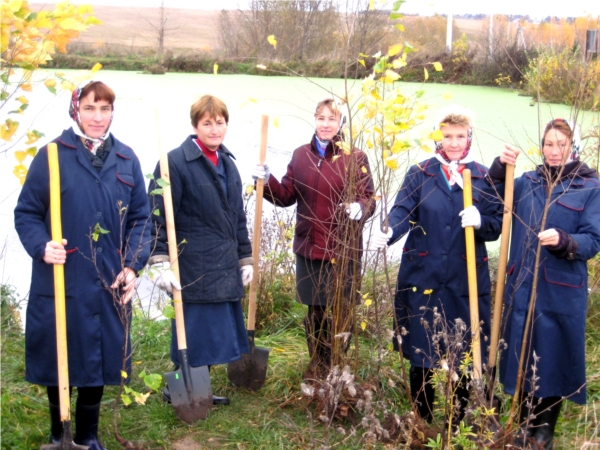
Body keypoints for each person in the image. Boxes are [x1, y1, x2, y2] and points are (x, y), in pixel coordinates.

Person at [14, 81, 151, 448]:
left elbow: (141, 219)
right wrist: (42, 246)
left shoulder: (126, 158)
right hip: (62, 278)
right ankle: (60, 434)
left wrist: (133, 266)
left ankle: (88, 437)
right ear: (76, 110)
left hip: (110, 277)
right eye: (90, 108)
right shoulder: (52, 156)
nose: (97, 117)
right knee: (59, 354)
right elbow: (26, 212)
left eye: (105, 109)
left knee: (100, 356)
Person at [371, 106, 502, 424]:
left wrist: (481, 221)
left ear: (468, 136)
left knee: (465, 355)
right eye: (447, 136)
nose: (453, 143)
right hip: (423, 278)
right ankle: (423, 422)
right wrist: (388, 229)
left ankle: (456, 424)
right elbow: (403, 209)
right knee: (421, 355)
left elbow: (497, 224)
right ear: (437, 137)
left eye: (459, 136)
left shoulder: (483, 176)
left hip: (465, 280)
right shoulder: (421, 172)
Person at [489, 119, 600, 449]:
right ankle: (521, 426)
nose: (554, 151)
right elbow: (493, 199)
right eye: (548, 144)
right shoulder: (527, 182)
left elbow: (593, 240)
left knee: (552, 358)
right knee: (522, 355)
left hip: (561, 293)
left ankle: (543, 433)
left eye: (561, 145)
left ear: (572, 148)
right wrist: (500, 166)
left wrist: (564, 240)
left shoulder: (589, 187)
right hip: (521, 288)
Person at [252, 98, 375, 378]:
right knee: (315, 312)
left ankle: (338, 366)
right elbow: (285, 196)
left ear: (341, 123)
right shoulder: (300, 156)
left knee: (342, 311)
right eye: (321, 118)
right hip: (310, 248)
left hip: (343, 251)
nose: (326, 124)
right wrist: (266, 180)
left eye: (332, 118)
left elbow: (369, 197)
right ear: (315, 120)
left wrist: (361, 208)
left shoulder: (355, 157)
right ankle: (318, 366)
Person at [148, 95, 252, 406]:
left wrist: (245, 259)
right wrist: (159, 261)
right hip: (192, 265)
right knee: (192, 331)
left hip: (222, 264)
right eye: (207, 123)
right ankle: (178, 390)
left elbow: (238, 218)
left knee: (213, 333)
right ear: (195, 126)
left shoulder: (229, 165)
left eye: (220, 122)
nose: (214, 129)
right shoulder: (173, 163)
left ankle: (200, 389)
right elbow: (157, 217)